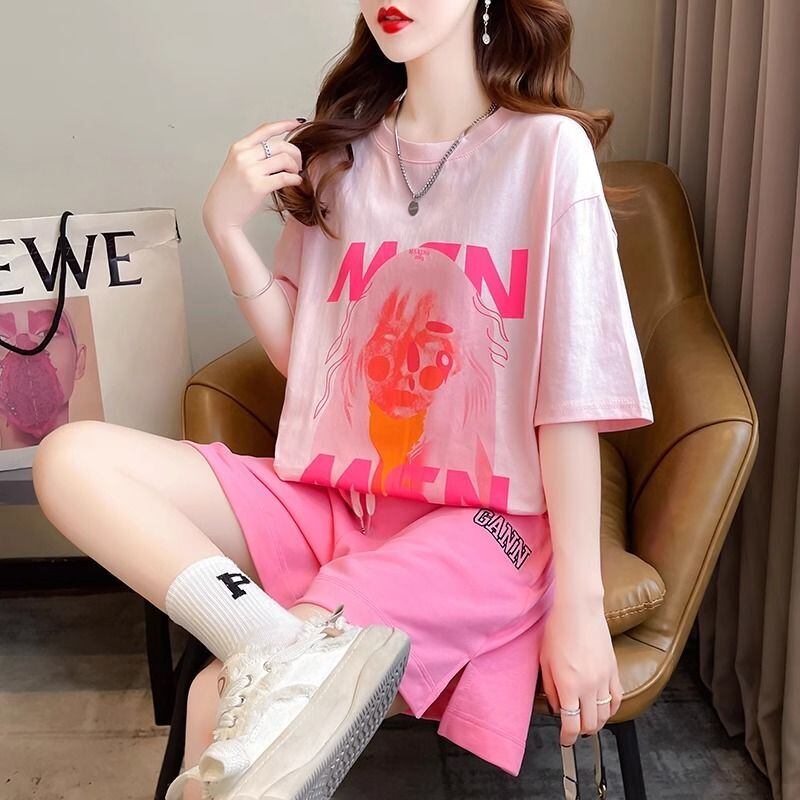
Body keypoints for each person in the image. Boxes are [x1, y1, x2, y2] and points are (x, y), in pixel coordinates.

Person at [31, 1, 655, 798]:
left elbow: (568, 399)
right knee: (71, 458)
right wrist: (226, 230)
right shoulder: (342, 155)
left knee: (217, 698)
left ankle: (276, 657)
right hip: (334, 496)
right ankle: (274, 646)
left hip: (482, 527)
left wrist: (582, 605)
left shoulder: (546, 152)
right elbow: (314, 359)